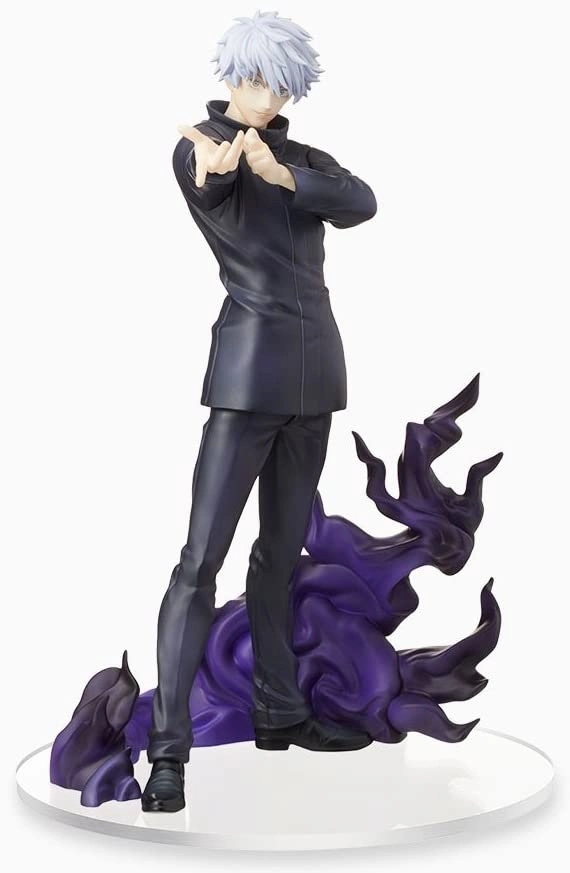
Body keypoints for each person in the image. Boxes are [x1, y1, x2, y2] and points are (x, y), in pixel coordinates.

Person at [142, 10, 377, 813]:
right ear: (230, 75)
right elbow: (204, 182)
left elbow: (362, 201)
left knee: (280, 554)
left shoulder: (302, 159)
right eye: (252, 79)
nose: (265, 96)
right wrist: (221, 173)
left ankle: (280, 711)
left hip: (316, 378)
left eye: (279, 84)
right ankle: (167, 752)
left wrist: (286, 177)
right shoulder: (205, 147)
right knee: (199, 561)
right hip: (246, 378)